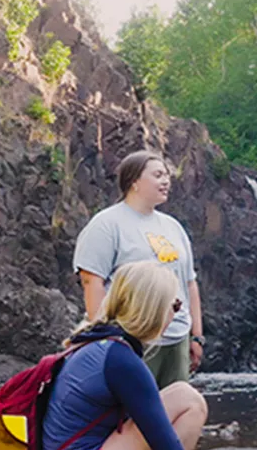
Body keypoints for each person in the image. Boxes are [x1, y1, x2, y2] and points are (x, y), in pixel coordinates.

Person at [39, 261, 214, 450]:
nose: (179, 312)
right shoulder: (121, 360)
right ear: (152, 307)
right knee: (189, 402)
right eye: (175, 304)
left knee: (183, 394)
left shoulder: (97, 342)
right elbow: (168, 449)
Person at [74, 150, 204, 386]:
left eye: (167, 175)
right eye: (157, 175)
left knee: (174, 408)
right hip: (131, 337)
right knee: (131, 412)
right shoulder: (107, 224)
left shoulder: (173, 227)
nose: (166, 181)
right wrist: (103, 337)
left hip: (176, 338)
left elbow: (189, 283)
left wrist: (196, 336)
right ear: (134, 182)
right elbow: (91, 281)